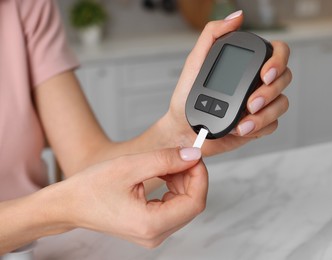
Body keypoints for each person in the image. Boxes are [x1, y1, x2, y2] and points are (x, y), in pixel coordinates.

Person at [0, 0, 291, 254]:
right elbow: (77, 194)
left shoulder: (27, 5)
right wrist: (60, 210)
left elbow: (86, 167)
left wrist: (178, 133)